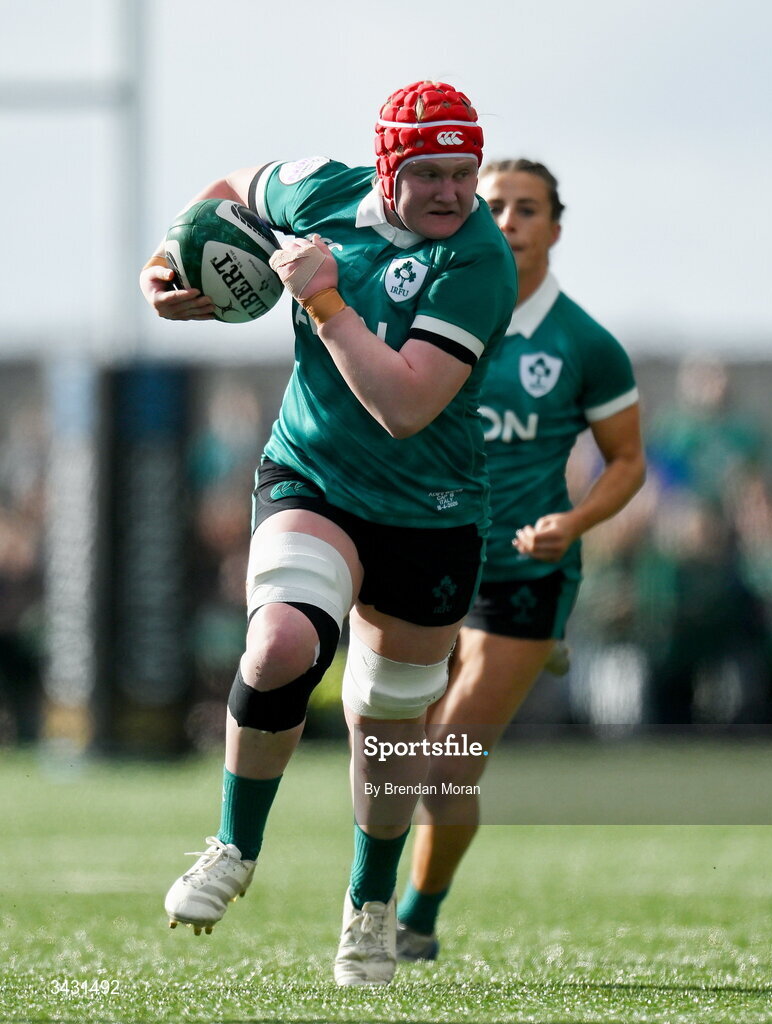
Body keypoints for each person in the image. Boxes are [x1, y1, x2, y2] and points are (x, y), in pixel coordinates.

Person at [139, 80, 517, 987]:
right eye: (426, 173)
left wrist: (326, 302)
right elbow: (226, 192)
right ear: (385, 167)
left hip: (431, 510)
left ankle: (368, 908)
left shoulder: (479, 260)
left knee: (387, 728)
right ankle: (232, 846)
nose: (451, 193)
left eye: (462, 173)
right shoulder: (320, 189)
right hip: (312, 476)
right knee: (278, 644)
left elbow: (405, 406)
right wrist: (169, 259)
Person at [395, 158, 646, 961]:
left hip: (523, 577)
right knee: (399, 756)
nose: (507, 220)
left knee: (442, 770)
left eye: (527, 209)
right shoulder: (435, 313)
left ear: (554, 228)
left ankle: (413, 922)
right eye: (493, 204)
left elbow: (629, 462)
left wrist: (571, 524)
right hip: (436, 559)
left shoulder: (583, 343)